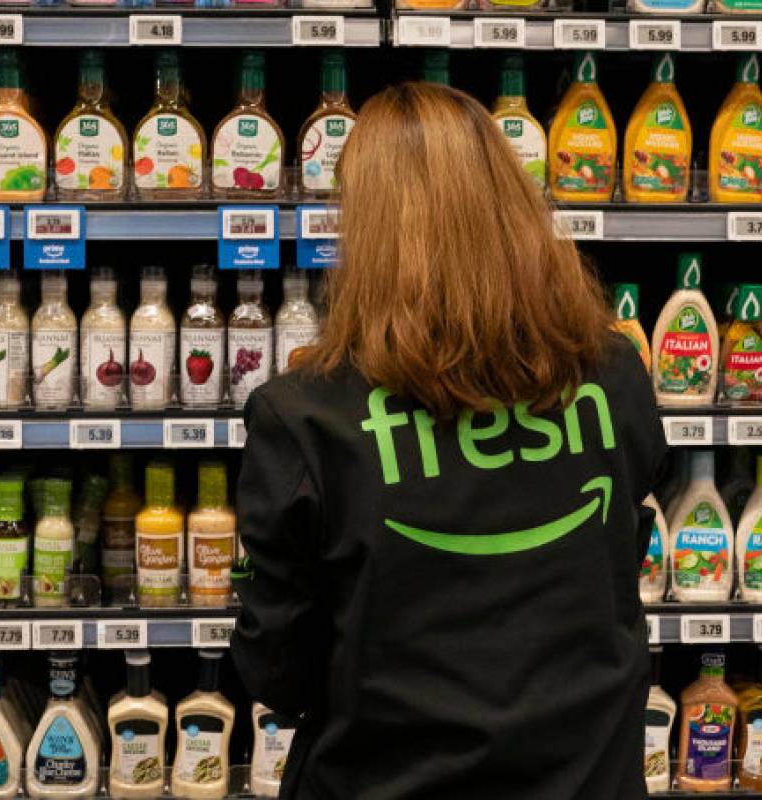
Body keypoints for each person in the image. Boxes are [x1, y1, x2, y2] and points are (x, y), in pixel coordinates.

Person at [232, 82, 668, 799]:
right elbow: (619, 565)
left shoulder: (306, 416)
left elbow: (279, 671)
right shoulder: (615, 373)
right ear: (514, 206)